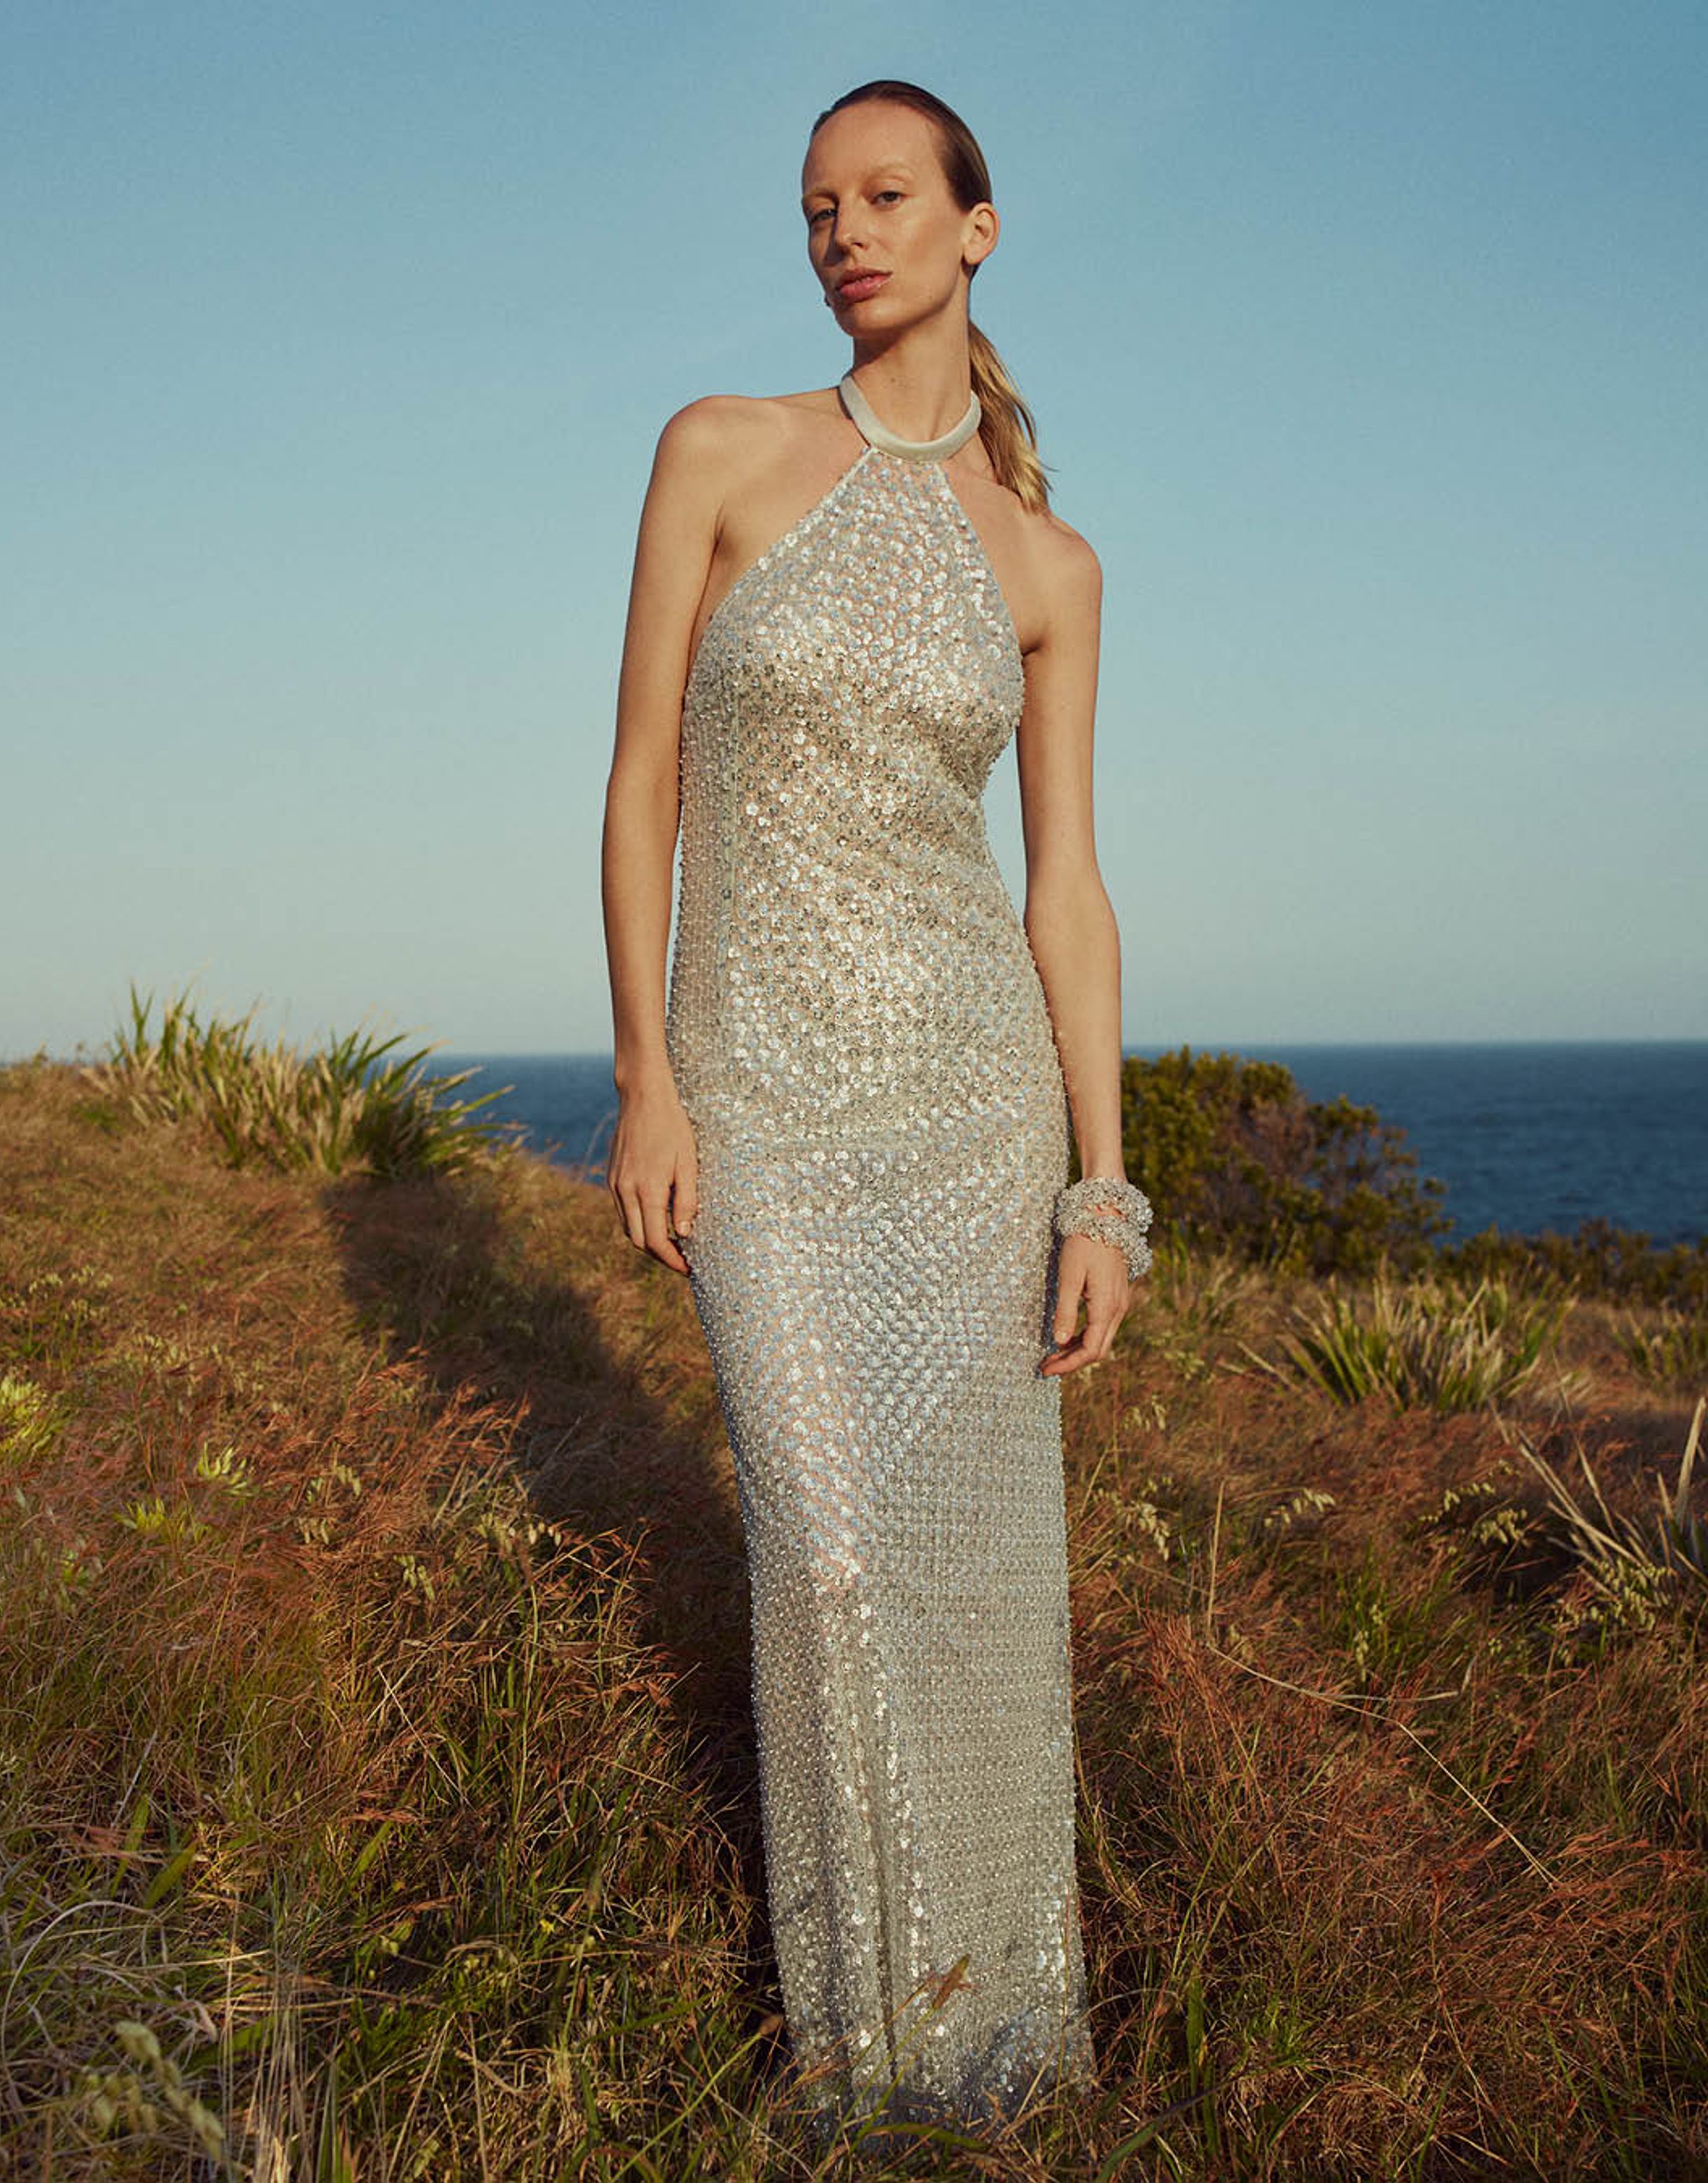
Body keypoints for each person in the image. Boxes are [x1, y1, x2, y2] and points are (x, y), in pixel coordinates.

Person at [599, 78, 1153, 2142]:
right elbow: (641, 773)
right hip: (757, 1102)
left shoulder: (1050, 564)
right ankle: (865, 2090)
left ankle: (998, 2078)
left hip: (969, 1115)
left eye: (886, 195)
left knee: (974, 1597)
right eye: (816, 204)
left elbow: (1065, 890)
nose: (844, 229)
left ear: (976, 228)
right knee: (826, 1564)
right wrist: (650, 1072)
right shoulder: (722, 453)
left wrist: (1103, 1185)